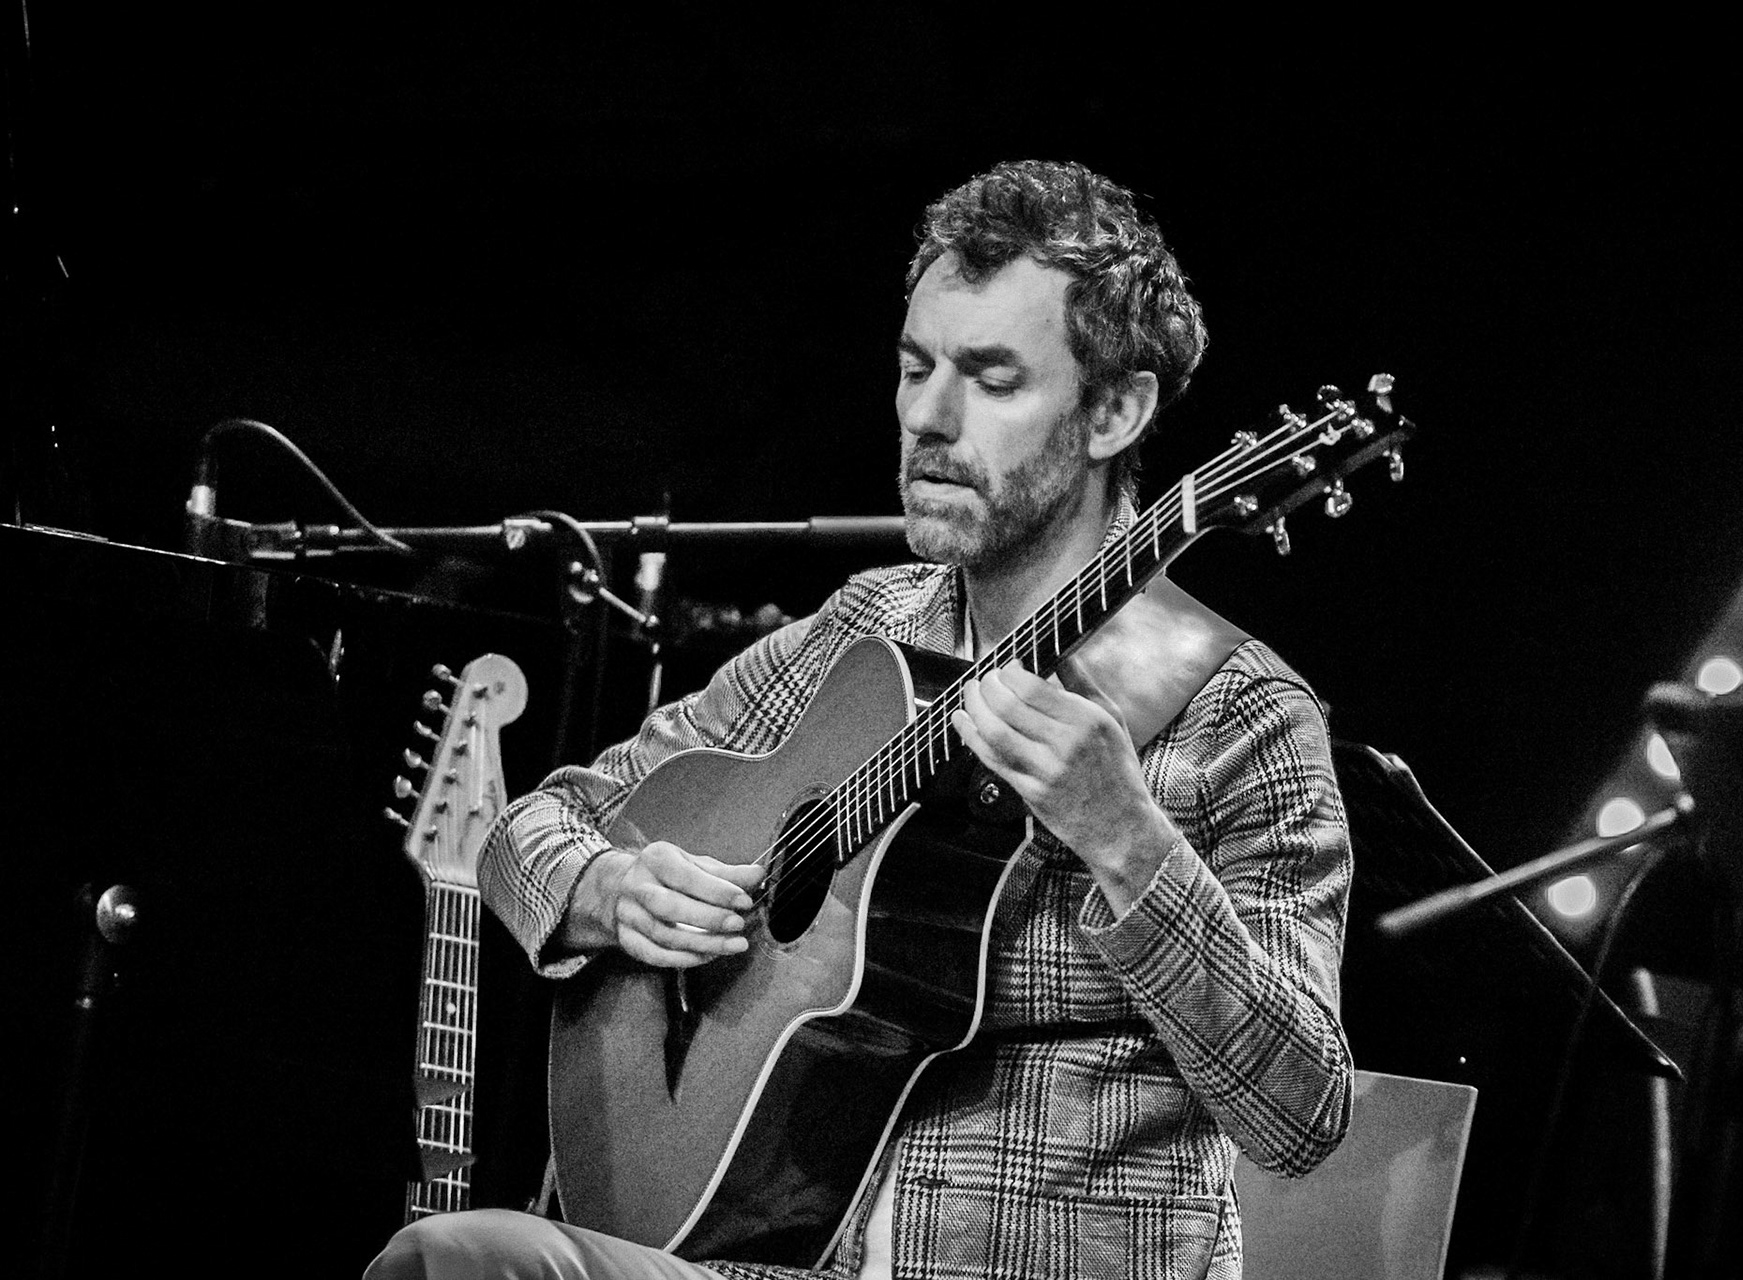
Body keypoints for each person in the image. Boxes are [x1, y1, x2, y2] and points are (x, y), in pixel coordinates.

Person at [367, 158, 1353, 1280]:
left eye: (990, 377)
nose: (929, 417)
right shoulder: (868, 627)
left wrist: (1131, 840)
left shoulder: (1238, 712)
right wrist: (607, 888)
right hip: (769, 1256)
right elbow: (535, 823)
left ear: (1116, 410)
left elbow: (1303, 1111)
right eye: (915, 365)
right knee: (455, 1261)